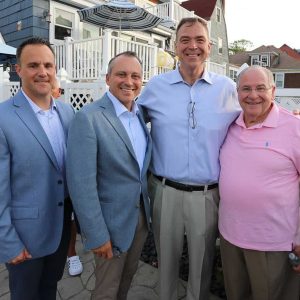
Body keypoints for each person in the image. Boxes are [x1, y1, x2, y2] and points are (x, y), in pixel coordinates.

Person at [137, 17, 240, 300]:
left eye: (198, 40)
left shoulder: (228, 89)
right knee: (166, 263)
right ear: (174, 46)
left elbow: (254, 120)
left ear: (209, 46)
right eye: (184, 40)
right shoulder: (156, 87)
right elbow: (129, 122)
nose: (191, 46)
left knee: (202, 266)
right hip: (165, 191)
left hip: (208, 195)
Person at [66, 51, 152, 300]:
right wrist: (96, 234)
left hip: (139, 220)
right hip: (109, 225)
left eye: (135, 76)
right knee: (106, 290)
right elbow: (81, 185)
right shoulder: (89, 118)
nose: (129, 81)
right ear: (107, 78)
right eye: (121, 74)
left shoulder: (140, 114)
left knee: (126, 282)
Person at [0, 37, 75, 300]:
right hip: (24, 236)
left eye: (48, 65)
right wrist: (7, 242)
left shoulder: (67, 114)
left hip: (61, 226)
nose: (42, 72)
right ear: (18, 69)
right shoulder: (3, 118)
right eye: (33, 65)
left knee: (49, 289)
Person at [218, 65, 300, 300]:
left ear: (273, 91)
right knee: (236, 294)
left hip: (271, 241)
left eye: (260, 88)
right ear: (237, 92)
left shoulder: (294, 129)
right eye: (246, 89)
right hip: (229, 235)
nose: (253, 95)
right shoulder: (230, 124)